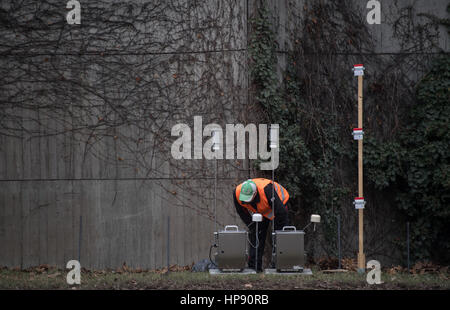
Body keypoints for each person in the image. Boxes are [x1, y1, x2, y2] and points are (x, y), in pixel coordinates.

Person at [233, 178, 290, 271]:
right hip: (261, 208)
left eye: (248, 199)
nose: (246, 202)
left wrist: (278, 228)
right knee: (256, 235)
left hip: (279, 204)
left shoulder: (267, 190)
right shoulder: (236, 193)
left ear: (255, 194)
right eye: (245, 199)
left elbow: (281, 213)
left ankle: (280, 265)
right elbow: (242, 212)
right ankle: (254, 267)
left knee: (280, 235)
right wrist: (252, 226)